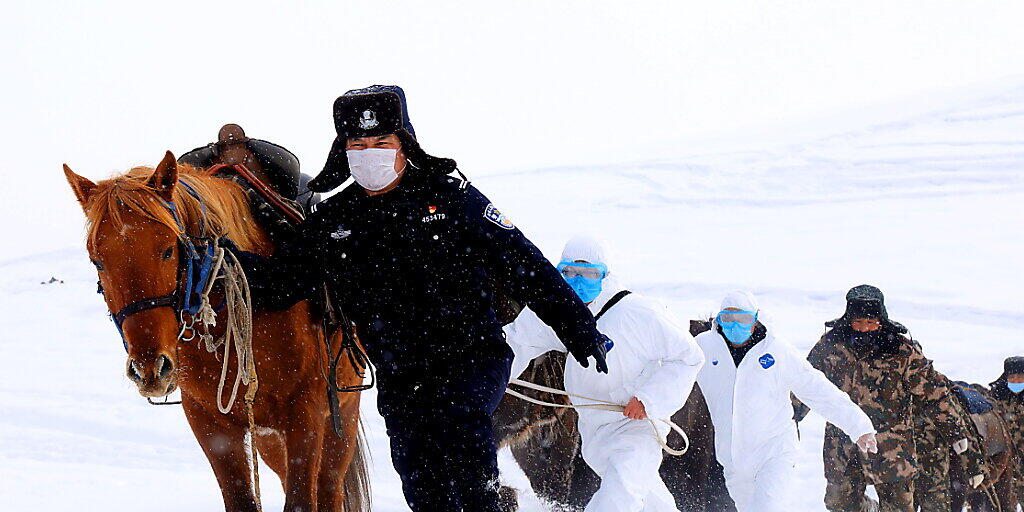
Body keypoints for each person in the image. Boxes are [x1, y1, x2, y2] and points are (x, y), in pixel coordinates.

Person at [237, 86, 611, 512]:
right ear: (343, 151)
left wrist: (580, 329)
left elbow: (526, 265)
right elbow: (281, 283)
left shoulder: (452, 198)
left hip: (470, 357)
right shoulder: (335, 219)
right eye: (357, 145)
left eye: (381, 143)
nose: (369, 153)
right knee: (421, 481)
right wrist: (222, 258)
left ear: (404, 145)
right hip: (400, 370)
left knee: (464, 455)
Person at [505, 235, 705, 512]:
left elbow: (689, 356)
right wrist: (491, 380)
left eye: (589, 274)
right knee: (649, 501)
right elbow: (516, 343)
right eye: (569, 272)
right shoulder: (555, 311)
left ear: (606, 275)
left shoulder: (638, 313)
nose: (578, 281)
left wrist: (649, 399)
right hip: (593, 428)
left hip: (636, 425)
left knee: (619, 498)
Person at [695, 290, 877, 512]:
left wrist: (858, 425)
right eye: (728, 319)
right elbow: (672, 378)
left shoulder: (776, 351)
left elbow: (816, 389)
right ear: (719, 321)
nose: (735, 326)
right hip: (733, 459)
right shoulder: (703, 349)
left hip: (775, 451)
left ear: (754, 320)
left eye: (742, 319)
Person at [806, 284, 976, 512]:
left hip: (892, 446)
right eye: (858, 322)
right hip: (843, 442)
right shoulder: (830, 346)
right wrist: (789, 414)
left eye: (871, 323)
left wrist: (954, 429)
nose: (864, 329)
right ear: (848, 319)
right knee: (839, 503)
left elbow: (934, 393)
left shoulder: (901, 351)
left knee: (897, 507)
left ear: (882, 320)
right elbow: (805, 383)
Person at [912, 377, 987, 512]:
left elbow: (962, 430)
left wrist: (974, 467)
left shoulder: (934, 384)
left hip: (934, 472)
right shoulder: (891, 384)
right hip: (900, 472)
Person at [988, 356, 1024, 506]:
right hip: (1006, 460)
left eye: (1020, 377)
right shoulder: (996, 397)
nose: (1016, 381)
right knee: (1006, 500)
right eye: (1012, 377)